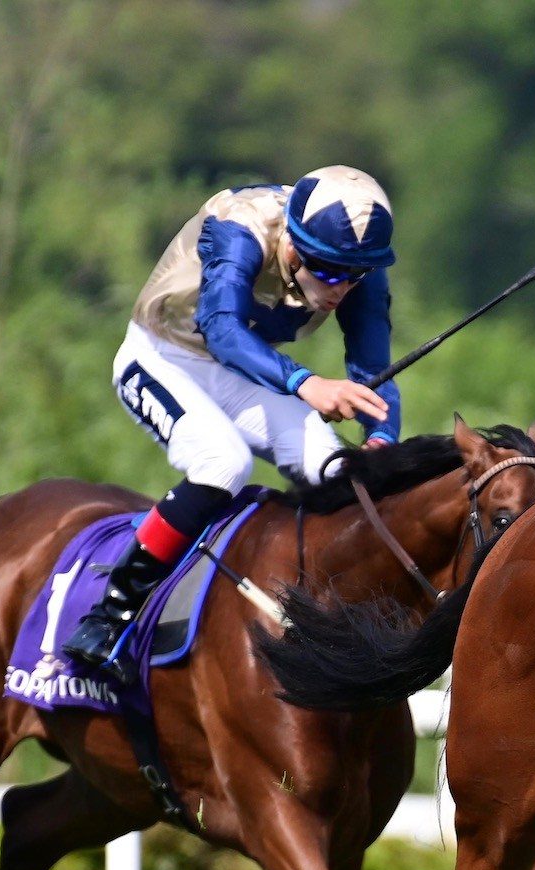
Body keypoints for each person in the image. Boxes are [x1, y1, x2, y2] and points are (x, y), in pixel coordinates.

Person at [63, 166, 402, 672]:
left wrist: (380, 440)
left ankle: (335, 620)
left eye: (353, 278)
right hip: (161, 356)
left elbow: (374, 372)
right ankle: (111, 614)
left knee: (342, 474)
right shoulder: (242, 226)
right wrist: (306, 383)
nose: (340, 291)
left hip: (242, 375)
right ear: (291, 242)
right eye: (329, 273)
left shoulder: (356, 272)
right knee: (223, 463)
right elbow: (221, 329)